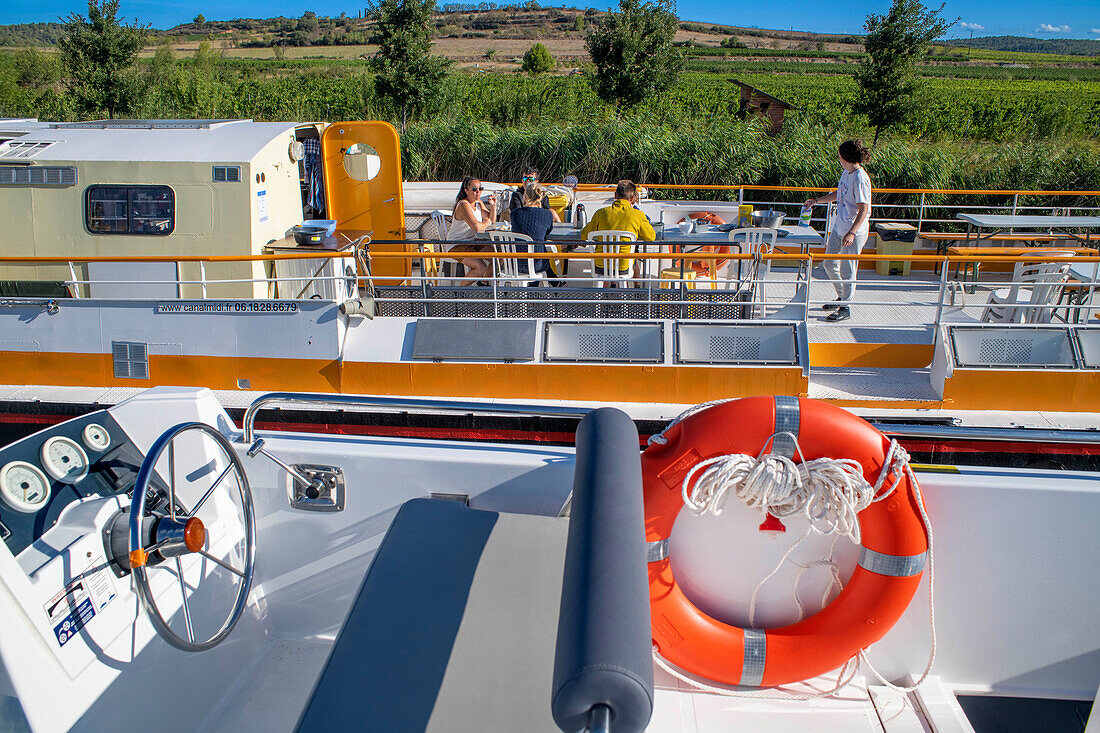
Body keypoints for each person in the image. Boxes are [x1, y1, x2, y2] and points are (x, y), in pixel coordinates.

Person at [804, 139, 872, 322]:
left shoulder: (860, 178)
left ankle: (846, 307)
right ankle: (842, 297)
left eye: (840, 156)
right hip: (839, 227)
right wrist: (816, 201)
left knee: (848, 269)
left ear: (847, 158)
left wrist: (851, 232)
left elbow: (863, 209)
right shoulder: (846, 173)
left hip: (853, 231)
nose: (838, 159)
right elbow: (838, 193)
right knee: (828, 264)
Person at [580, 179, 656, 282]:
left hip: (600, 267)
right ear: (633, 198)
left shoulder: (600, 213)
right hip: (623, 268)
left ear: (615, 196)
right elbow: (651, 237)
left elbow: (584, 235)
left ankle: (606, 294)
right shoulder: (638, 215)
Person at [447, 176, 497, 285]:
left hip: (473, 241)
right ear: (466, 190)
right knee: (481, 267)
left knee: (498, 257)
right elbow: (477, 228)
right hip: (457, 244)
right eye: (474, 189)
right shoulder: (464, 205)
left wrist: (493, 206)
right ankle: (459, 292)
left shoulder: (478, 203)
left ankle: (483, 283)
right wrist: (486, 222)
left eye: (480, 189)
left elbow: (492, 220)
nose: (478, 192)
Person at [508, 182, 555, 280]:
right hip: (537, 264)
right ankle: (553, 285)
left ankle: (533, 290)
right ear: (541, 197)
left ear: (525, 196)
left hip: (515, 264)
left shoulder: (515, 213)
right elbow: (547, 232)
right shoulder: (547, 214)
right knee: (543, 254)